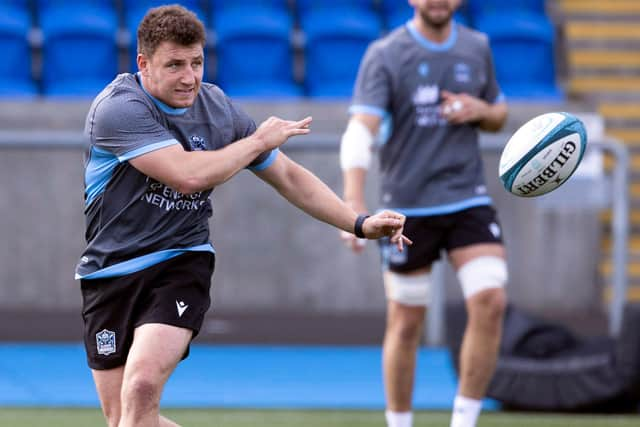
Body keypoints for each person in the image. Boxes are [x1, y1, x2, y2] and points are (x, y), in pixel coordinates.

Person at [75, 5, 410, 427]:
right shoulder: (118, 109)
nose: (189, 77)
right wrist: (257, 142)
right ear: (143, 64)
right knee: (127, 420)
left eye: (196, 62)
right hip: (109, 273)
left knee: (141, 389)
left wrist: (358, 222)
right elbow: (187, 175)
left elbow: (287, 175)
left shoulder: (218, 108)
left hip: (180, 262)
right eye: (174, 65)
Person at [339, 1, 509, 427]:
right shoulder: (386, 53)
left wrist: (480, 110)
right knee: (406, 323)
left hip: (467, 198)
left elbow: (499, 113)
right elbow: (360, 132)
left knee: (491, 301)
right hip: (407, 209)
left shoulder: (477, 46)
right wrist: (353, 209)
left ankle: (464, 421)